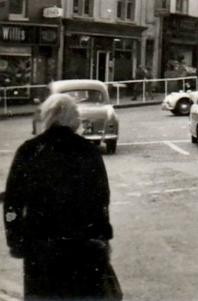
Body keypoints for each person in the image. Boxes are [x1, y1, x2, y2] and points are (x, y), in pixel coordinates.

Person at [4, 94, 119, 300]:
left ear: (47, 117)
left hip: (40, 250)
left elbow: (12, 203)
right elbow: (101, 200)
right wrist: (104, 236)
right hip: (84, 249)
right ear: (72, 119)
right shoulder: (87, 151)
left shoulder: (29, 151)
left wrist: (15, 238)